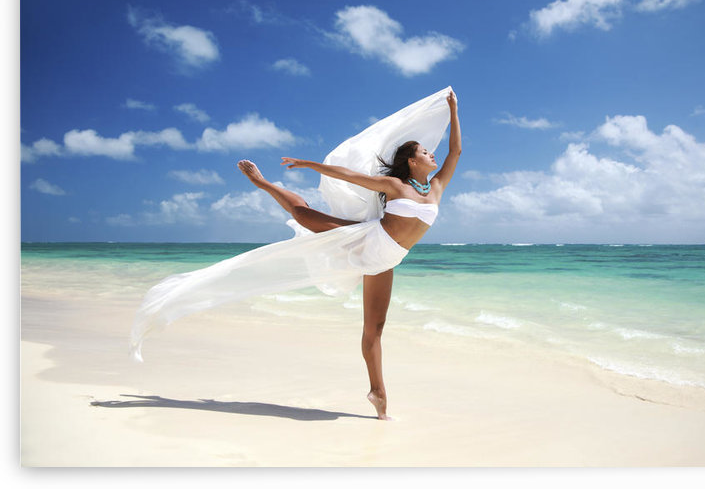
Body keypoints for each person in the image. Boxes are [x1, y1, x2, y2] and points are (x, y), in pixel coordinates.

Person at [130, 88, 460, 421]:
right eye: (424, 151)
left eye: (429, 151)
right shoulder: (395, 187)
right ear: (411, 162)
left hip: (388, 259)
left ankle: (377, 393)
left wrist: (453, 111)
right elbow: (349, 175)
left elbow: (455, 151)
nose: (431, 154)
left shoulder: (435, 188)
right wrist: (307, 164)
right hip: (367, 241)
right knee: (304, 216)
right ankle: (265, 185)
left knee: (374, 328)